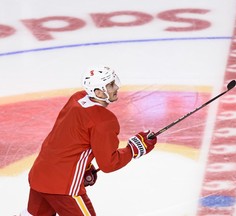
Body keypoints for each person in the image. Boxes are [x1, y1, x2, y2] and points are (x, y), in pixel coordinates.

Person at [25, 65, 157, 216]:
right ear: (99, 92)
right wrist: (134, 149)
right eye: (111, 85)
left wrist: (85, 167)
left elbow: (68, 139)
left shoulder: (77, 97)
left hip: (40, 174)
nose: (117, 87)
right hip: (64, 185)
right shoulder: (104, 121)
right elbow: (109, 163)